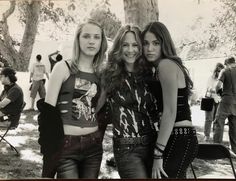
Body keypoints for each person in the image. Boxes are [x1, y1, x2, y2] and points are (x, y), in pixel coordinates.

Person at [37, 19, 108, 178]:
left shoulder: (102, 75)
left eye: (97, 37)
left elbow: (99, 109)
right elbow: (47, 114)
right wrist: (48, 159)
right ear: (78, 39)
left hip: (93, 147)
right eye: (86, 36)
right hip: (65, 145)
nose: (91, 41)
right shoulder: (63, 67)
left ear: (101, 42)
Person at [97, 25, 159, 178]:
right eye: (125, 45)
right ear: (119, 47)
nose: (130, 50)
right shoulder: (109, 74)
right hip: (126, 148)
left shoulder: (151, 73)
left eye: (135, 45)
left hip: (153, 145)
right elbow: (96, 107)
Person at [141, 22, 199, 179]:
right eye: (145, 43)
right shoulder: (166, 66)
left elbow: (170, 112)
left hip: (178, 137)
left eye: (155, 43)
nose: (149, 48)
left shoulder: (166, 65)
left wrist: (158, 154)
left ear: (164, 44)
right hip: (181, 137)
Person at [213, 57, 236, 154]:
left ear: (227, 63)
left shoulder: (225, 70)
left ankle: (217, 148)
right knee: (234, 126)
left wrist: (219, 92)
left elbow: (218, 85)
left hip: (226, 100)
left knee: (219, 122)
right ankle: (234, 150)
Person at [203, 63, 224, 142]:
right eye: (218, 71)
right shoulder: (210, 78)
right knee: (209, 119)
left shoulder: (222, 79)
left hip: (218, 100)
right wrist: (215, 89)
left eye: (221, 71)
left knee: (216, 119)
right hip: (210, 100)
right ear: (215, 71)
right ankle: (206, 135)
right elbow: (208, 89)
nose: (219, 73)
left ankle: (215, 135)